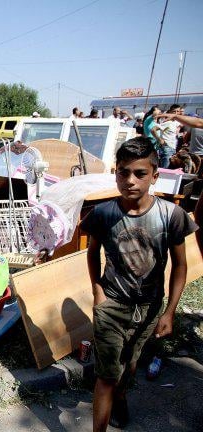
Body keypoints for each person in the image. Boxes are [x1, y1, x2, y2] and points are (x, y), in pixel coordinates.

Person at [80, 137, 198, 431]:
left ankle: (121, 398)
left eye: (140, 173)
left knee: (129, 365)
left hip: (149, 308)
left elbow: (180, 265)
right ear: (116, 172)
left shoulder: (171, 216)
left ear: (155, 176)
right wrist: (98, 293)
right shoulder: (103, 214)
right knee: (106, 375)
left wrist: (170, 311)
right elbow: (93, 254)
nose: (130, 180)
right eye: (123, 172)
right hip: (112, 305)